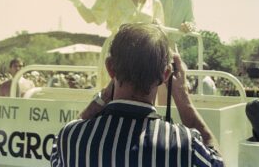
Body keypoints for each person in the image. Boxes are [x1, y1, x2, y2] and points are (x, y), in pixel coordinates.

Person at [50, 23, 223, 167]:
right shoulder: (184, 143)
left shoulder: (72, 138)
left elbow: (58, 149)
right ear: (165, 74)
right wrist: (183, 98)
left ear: (110, 68)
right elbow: (218, 162)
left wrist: (102, 97)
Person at [56, 0, 164, 89]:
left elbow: (160, 30)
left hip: (144, 54)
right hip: (117, 50)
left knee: (141, 95)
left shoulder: (153, 0)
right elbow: (91, 18)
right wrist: (77, 2)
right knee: (113, 94)